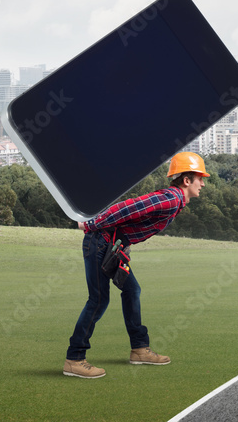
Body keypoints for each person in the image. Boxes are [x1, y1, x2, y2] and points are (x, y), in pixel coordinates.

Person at [63, 151, 209, 379]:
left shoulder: (176, 201)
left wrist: (124, 246)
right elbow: (127, 208)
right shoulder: (171, 198)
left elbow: (133, 222)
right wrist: (91, 225)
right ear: (187, 180)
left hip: (111, 245)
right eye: (200, 178)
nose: (203, 183)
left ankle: (139, 349)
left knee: (132, 290)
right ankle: (74, 359)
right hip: (100, 240)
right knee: (98, 300)